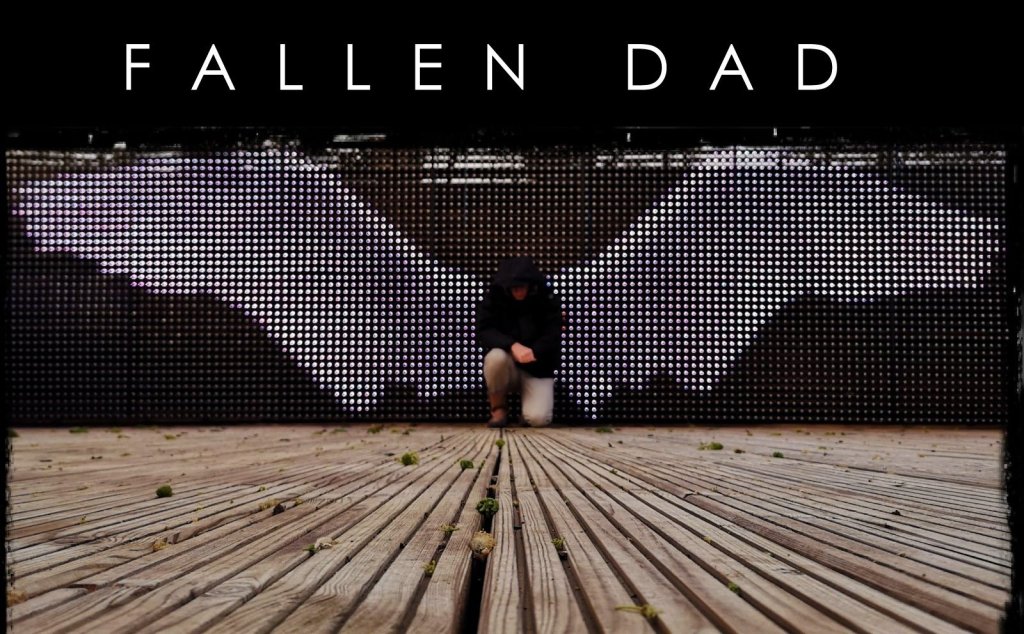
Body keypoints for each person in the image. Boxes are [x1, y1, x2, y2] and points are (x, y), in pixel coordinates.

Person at [476, 256, 563, 428]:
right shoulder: (495, 298)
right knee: (495, 358)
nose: (518, 291)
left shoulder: (547, 299)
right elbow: (484, 329)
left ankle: (526, 411)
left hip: (538, 368)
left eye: (522, 287)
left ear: (530, 285)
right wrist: (511, 345)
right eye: (514, 288)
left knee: (538, 419)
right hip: (508, 363)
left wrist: (534, 351)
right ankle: (498, 408)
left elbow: (553, 333)